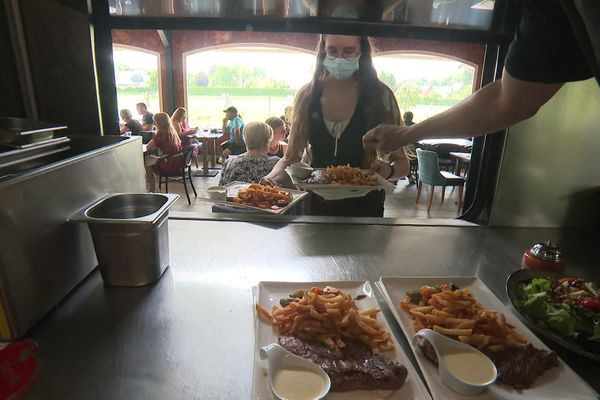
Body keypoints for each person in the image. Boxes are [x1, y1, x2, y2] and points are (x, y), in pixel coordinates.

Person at [363, 0, 600, 154]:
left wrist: (405, 134)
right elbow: (505, 101)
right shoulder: (551, 9)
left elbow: (504, 102)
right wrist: (405, 134)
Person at [262, 34, 409, 217]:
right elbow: (291, 158)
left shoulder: (380, 96)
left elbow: (402, 162)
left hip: (366, 207)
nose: (339, 58)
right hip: (315, 205)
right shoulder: (308, 95)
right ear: (323, 51)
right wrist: (272, 178)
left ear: (362, 52)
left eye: (349, 51)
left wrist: (389, 170)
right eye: (332, 51)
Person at [218, 121, 281, 186]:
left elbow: (220, 189)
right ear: (267, 142)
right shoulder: (276, 163)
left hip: (231, 196)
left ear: (245, 140)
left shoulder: (229, 162)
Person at [144, 113, 183, 192]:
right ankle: (154, 188)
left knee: (146, 161)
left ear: (158, 123)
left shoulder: (161, 134)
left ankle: (152, 188)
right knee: (150, 160)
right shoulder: (172, 131)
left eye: (155, 121)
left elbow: (148, 147)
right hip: (179, 161)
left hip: (169, 163)